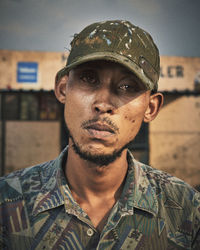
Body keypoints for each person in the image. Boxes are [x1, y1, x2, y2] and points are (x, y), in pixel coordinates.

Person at [0, 20, 199, 250]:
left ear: (151, 108)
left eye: (127, 86)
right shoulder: (7, 204)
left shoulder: (187, 211)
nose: (103, 104)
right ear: (63, 88)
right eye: (89, 79)